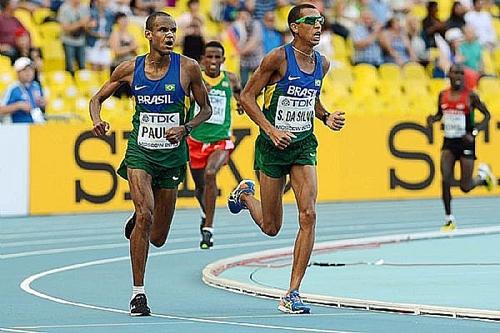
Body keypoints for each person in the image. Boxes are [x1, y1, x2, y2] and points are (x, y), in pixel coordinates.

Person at [89, 11, 212, 316]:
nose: (169, 35)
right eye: (162, 30)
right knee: (146, 214)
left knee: (157, 236)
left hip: (171, 156)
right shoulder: (130, 68)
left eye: (172, 30)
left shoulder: (188, 68)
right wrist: (97, 120)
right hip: (140, 152)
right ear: (148, 35)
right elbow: (96, 99)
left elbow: (205, 109)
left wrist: (186, 128)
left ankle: (138, 222)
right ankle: (138, 295)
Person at [227, 4, 345, 314]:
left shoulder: (323, 63)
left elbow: (312, 100)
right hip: (272, 147)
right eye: (311, 22)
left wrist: (326, 116)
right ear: (295, 27)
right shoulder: (277, 58)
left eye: (320, 21)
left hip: (303, 146)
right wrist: (271, 129)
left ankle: (292, 292)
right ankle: (245, 195)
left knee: (309, 215)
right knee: (271, 226)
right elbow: (247, 97)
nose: (318, 27)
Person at [186, 40, 242, 249]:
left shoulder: (231, 78)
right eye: (209, 56)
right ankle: (205, 211)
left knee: (211, 174)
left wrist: (240, 104)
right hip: (195, 140)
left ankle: (208, 228)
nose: (213, 61)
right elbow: (185, 98)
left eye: (217, 57)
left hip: (220, 139)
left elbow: (239, 94)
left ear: (223, 60)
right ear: (202, 59)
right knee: (200, 187)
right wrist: (197, 94)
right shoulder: (195, 78)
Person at [427, 64, 495, 232]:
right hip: (449, 143)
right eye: (454, 72)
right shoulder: (443, 95)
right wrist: (433, 119)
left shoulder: (470, 96)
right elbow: (439, 114)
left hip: (466, 143)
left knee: (465, 187)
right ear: (448, 75)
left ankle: (482, 177)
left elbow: (487, 116)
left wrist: (474, 131)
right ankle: (449, 219)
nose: (458, 76)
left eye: (461, 73)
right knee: (445, 178)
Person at [0, 57, 46, 123]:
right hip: (18, 127)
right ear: (17, 73)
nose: (29, 73)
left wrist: (43, 103)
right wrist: (18, 106)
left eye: (31, 69)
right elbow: (1, 110)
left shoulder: (36, 86)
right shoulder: (13, 88)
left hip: (37, 125)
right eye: (25, 70)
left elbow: (41, 105)